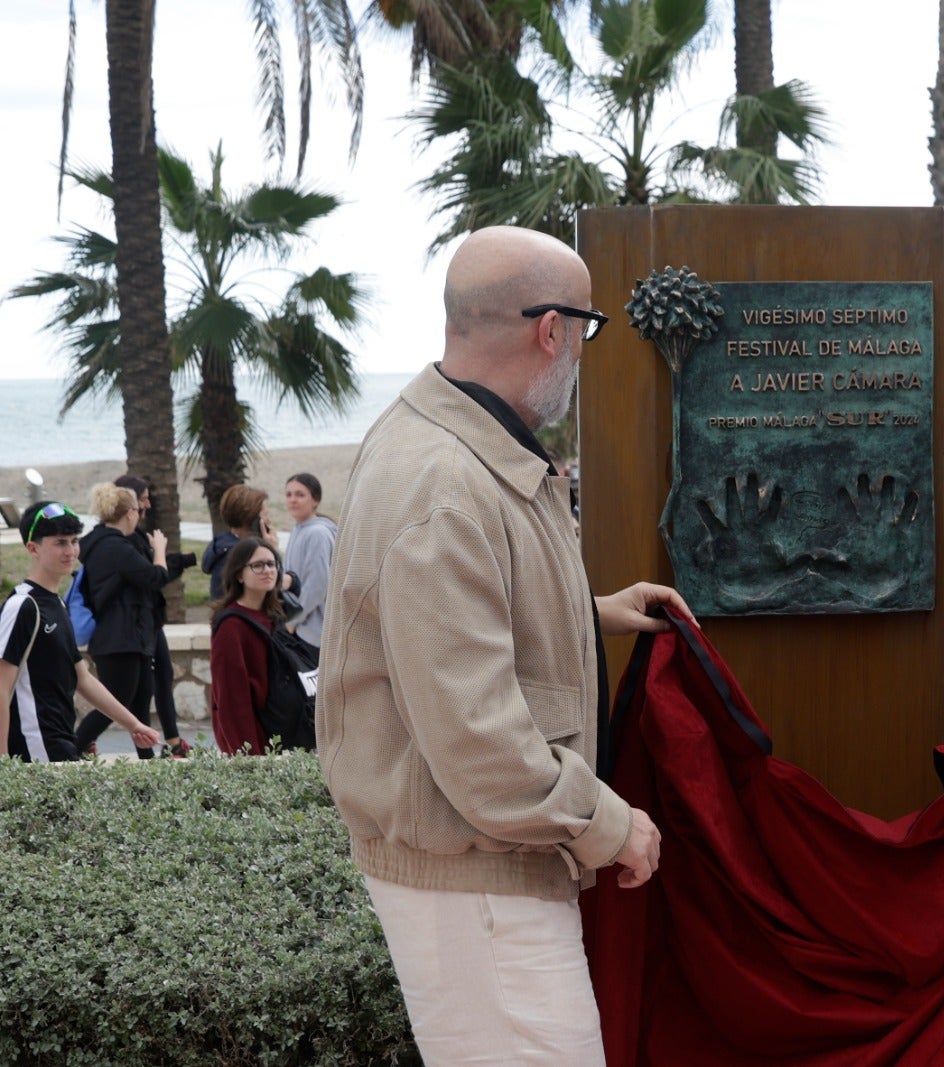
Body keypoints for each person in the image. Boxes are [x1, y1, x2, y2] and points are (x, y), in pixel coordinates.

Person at [317, 224, 693, 1063]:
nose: (585, 355)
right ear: (550, 329)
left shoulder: (441, 436)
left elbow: (454, 618)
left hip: (484, 873)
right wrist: (610, 823)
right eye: (588, 331)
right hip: (479, 884)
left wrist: (590, 610)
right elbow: (479, 741)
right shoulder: (444, 485)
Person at [2, 502, 162, 761]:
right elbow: (1, 686)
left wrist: (133, 724)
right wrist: (3, 762)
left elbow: (82, 678)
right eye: (60, 542)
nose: (71, 551)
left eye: (74, 541)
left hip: (61, 743)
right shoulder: (23, 605)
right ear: (33, 548)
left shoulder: (58, 603)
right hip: (35, 749)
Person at [73, 483, 174, 759]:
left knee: (140, 703)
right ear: (130, 513)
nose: (140, 515)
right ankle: (67, 754)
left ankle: (147, 764)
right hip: (119, 640)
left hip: (128, 638)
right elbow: (156, 578)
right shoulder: (115, 547)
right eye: (138, 510)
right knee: (115, 705)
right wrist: (160, 551)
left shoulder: (99, 543)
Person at [114, 473, 197, 756]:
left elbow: (156, 571)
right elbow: (154, 576)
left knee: (162, 676)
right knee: (138, 691)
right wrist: (160, 552)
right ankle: (146, 752)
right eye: (143, 498)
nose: (147, 504)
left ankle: (173, 743)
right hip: (136, 626)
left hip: (151, 621)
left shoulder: (136, 535)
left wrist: (185, 560)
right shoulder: (122, 540)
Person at [208, 537, 286, 756]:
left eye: (272, 564)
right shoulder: (231, 627)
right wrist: (250, 756)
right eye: (257, 565)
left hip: (278, 732)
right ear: (239, 574)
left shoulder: (274, 616)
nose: (267, 571)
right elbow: (231, 699)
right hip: (252, 740)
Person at [202, 484, 295, 602]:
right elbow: (274, 590)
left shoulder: (222, 545)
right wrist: (272, 551)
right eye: (265, 515)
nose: (269, 521)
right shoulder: (240, 554)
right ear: (255, 521)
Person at [281, 472, 337, 652]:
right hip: (302, 628)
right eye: (289, 494)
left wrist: (293, 621)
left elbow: (317, 585)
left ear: (315, 500)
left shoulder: (317, 533)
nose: (293, 500)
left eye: (300, 494)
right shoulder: (298, 529)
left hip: (314, 633)